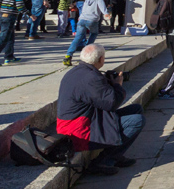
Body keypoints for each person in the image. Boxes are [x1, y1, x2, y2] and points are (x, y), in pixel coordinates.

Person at [56, 43, 143, 176]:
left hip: (81, 121)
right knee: (137, 120)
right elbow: (112, 103)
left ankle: (116, 154)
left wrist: (107, 82)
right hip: (79, 132)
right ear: (101, 59)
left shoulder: (77, 72)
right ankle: (104, 161)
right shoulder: (91, 78)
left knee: (136, 109)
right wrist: (118, 85)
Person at [64, 0, 112, 66]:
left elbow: (84, 8)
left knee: (78, 37)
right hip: (92, 20)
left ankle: (68, 55)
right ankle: (86, 50)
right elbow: (102, 7)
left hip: (82, 19)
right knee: (93, 33)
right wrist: (106, 14)